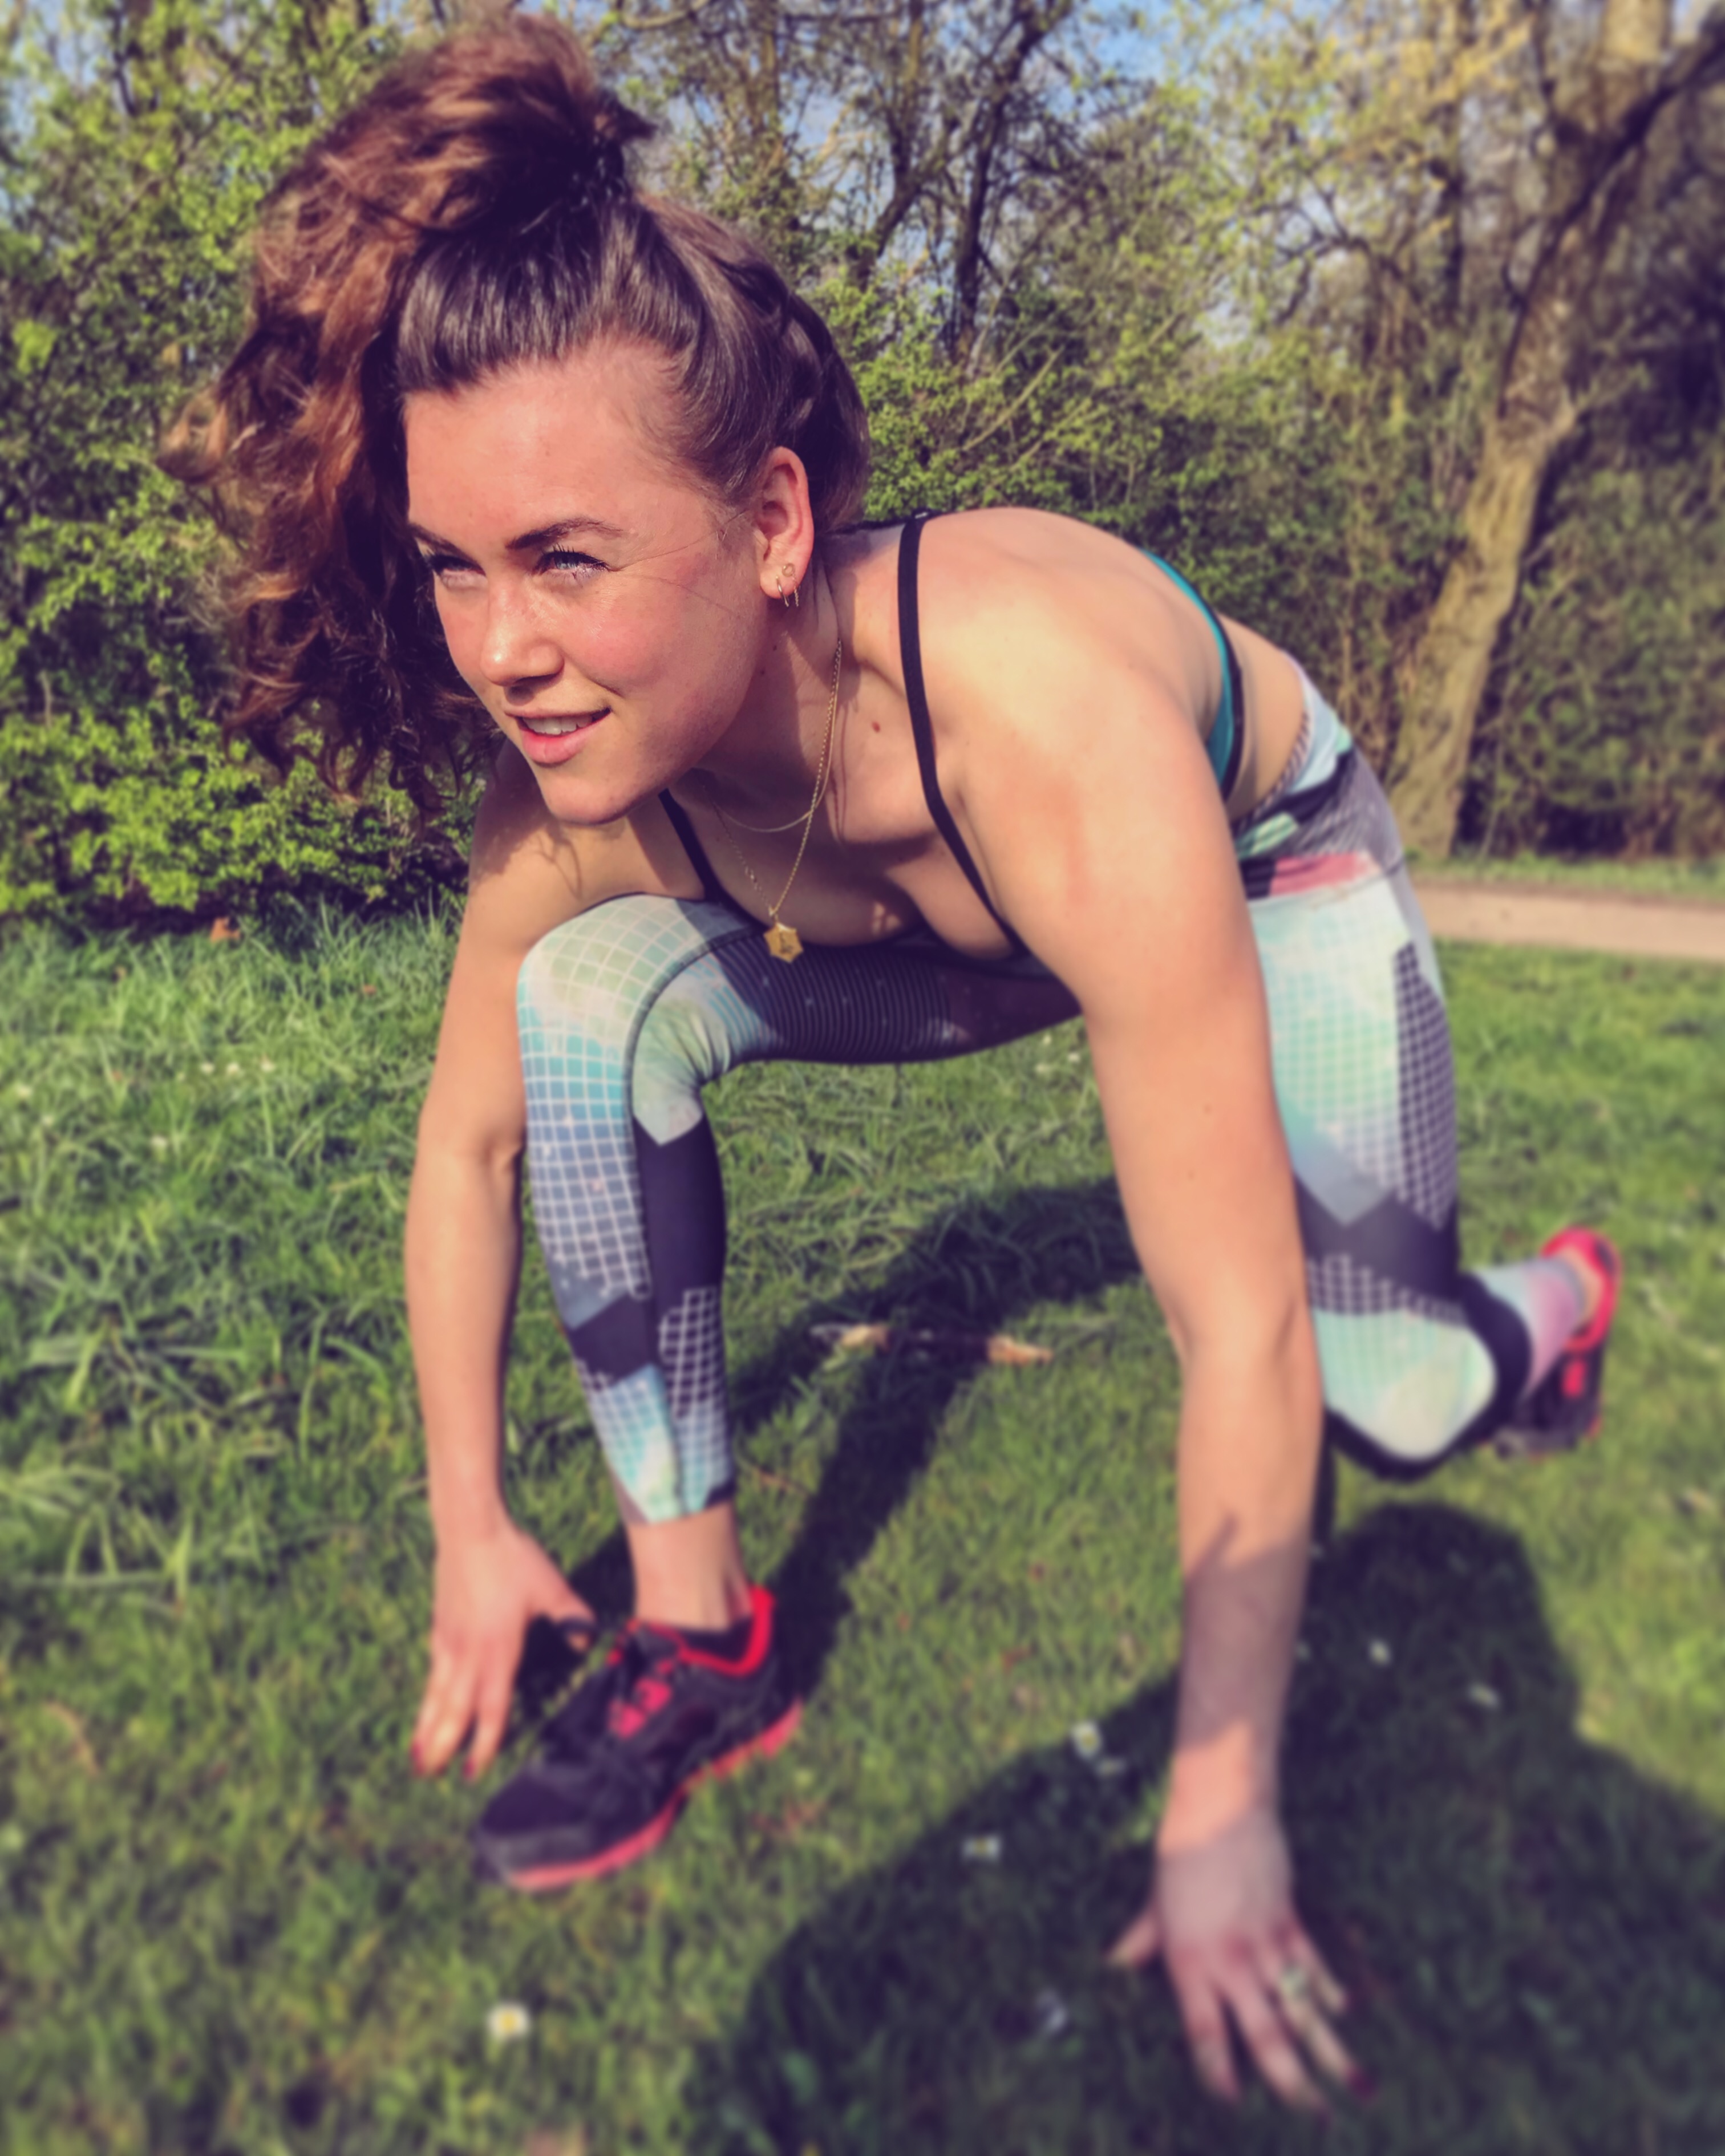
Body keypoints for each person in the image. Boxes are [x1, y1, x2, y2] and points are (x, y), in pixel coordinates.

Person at [176, 14, 1622, 2113]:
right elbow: (467, 1151)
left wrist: (1222, 1800)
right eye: (455, 567)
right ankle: (701, 1635)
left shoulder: (1041, 717)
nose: (502, 650)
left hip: (1257, 868)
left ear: (771, 521)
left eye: (566, 557)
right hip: (931, 944)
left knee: (1372, 1381)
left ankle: (1554, 1305)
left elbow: (1231, 1326)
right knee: (576, 1006)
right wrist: (471, 1526)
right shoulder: (560, 813)